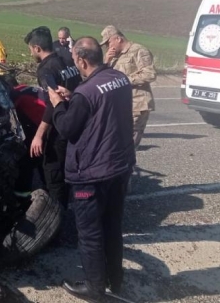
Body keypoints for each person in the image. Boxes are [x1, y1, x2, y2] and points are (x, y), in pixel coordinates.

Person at [48, 37, 135, 301]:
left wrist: (59, 105)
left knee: (90, 234)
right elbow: (101, 106)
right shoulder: (120, 79)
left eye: (75, 59)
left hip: (92, 173)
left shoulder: (86, 93)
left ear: (82, 60)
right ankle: (115, 279)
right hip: (120, 166)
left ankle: (95, 289)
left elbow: (66, 128)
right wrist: (73, 98)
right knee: (112, 225)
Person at [24, 26, 81, 208]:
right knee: (67, 168)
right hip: (75, 120)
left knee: (53, 171)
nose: (31, 52)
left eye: (31, 49)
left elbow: (52, 102)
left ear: (37, 48)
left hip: (59, 127)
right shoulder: (66, 59)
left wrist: (39, 135)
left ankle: (56, 217)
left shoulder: (46, 69)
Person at [101, 25, 156, 150]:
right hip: (120, 104)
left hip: (137, 103)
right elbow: (104, 77)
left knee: (128, 145)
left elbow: (150, 74)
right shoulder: (114, 56)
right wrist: (106, 61)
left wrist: (125, 80)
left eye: (108, 42)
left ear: (118, 39)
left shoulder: (139, 50)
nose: (107, 47)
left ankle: (126, 167)